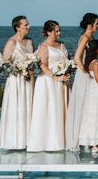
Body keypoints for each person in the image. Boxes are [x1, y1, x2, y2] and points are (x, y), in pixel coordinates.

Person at [27, 20, 70, 152]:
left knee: (61, 110)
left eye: (59, 30)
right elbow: (43, 66)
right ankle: (50, 142)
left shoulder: (62, 45)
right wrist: (56, 77)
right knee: (50, 111)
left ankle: (65, 140)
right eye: (56, 31)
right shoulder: (43, 47)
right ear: (49, 32)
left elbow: (66, 61)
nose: (59, 33)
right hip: (48, 82)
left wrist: (67, 72)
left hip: (62, 82)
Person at [0, 15, 35, 150]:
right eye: (26, 25)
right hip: (16, 80)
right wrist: (19, 69)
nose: (28, 27)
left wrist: (31, 69)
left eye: (28, 24)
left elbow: (33, 60)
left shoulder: (30, 42)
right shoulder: (11, 42)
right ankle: (15, 141)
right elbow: (5, 62)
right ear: (17, 27)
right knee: (17, 108)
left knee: (28, 108)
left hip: (29, 80)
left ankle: (28, 140)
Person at [66, 12, 98, 151]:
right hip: (84, 76)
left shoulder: (91, 37)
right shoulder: (85, 37)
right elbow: (77, 58)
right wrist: (86, 71)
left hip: (89, 73)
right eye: (97, 23)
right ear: (90, 25)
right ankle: (80, 139)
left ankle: (88, 137)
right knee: (83, 106)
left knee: (89, 107)